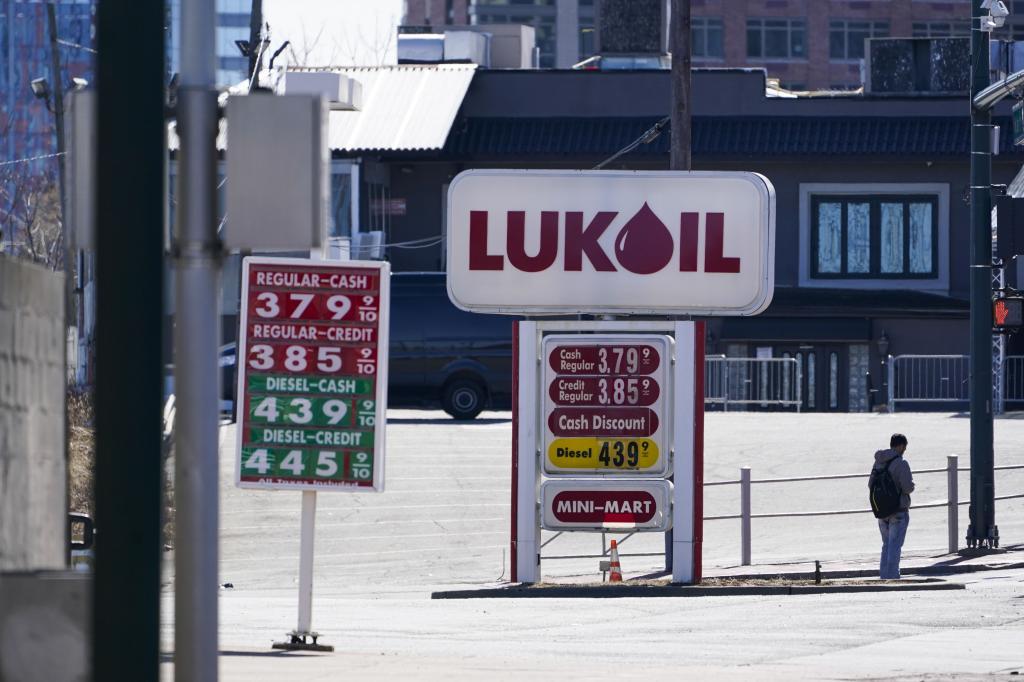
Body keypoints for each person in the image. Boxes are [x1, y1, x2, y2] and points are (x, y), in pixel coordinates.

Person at [872, 433, 915, 579]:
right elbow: (907, 488)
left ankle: (884, 576)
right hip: (898, 510)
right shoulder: (901, 463)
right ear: (901, 446)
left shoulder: (878, 462)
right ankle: (892, 577)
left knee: (886, 545)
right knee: (895, 546)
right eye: (905, 447)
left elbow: (870, 484)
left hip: (881, 511)